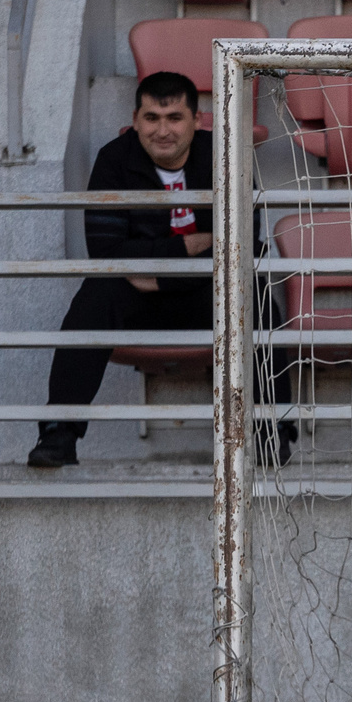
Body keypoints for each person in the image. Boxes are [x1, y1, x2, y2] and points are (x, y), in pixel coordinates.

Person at [29, 71, 214, 470]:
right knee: (97, 294)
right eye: (152, 118)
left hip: (206, 296)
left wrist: (159, 274)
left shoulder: (224, 155)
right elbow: (106, 252)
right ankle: (59, 433)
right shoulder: (114, 159)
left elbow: (241, 244)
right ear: (135, 119)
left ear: (197, 121)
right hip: (139, 304)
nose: (162, 130)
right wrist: (186, 245)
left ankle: (271, 431)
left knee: (255, 289)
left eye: (174, 118)